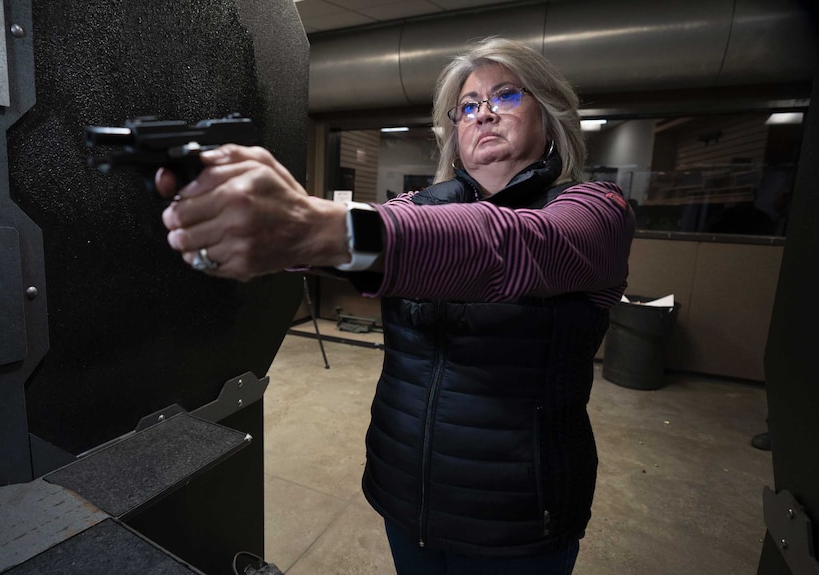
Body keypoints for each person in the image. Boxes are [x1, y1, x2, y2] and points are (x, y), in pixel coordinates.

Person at [157, 37, 634, 575]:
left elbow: (507, 246)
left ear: (549, 114)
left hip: (518, 516)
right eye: (469, 106)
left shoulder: (595, 211)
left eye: (505, 95)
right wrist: (255, 222)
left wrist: (323, 229)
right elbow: (354, 240)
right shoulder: (417, 208)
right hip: (406, 494)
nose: (484, 114)